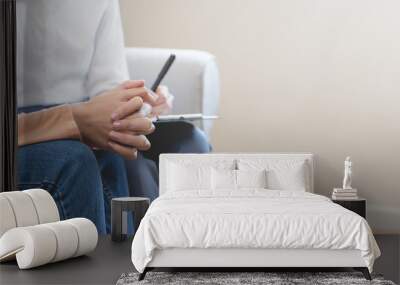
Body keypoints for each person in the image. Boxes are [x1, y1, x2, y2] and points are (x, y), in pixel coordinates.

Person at [16, 0, 210, 233]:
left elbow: (108, 85)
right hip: (30, 121)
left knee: (188, 140)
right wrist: (77, 119)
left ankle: (181, 257)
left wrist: (137, 104)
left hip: (87, 108)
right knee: (102, 156)